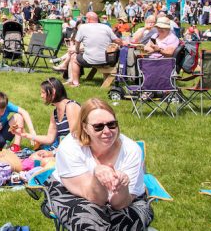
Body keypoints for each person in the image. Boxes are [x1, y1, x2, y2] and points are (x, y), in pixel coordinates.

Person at [46, 98, 153, 230]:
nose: (107, 131)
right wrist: (97, 176)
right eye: (98, 127)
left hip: (128, 199)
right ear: (85, 127)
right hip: (74, 193)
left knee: (126, 223)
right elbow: (95, 198)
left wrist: (122, 187)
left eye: (112, 124)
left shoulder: (131, 150)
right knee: (90, 222)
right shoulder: (70, 147)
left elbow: (120, 204)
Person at [20, 77, 80, 150]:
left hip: (73, 150)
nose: (41, 96)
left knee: (38, 156)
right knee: (34, 155)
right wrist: (27, 135)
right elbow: (49, 139)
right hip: (62, 149)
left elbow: (75, 137)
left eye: (43, 92)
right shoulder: (55, 113)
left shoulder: (71, 107)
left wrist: (53, 153)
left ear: (53, 91)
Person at [65, 12, 122, 87]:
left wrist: (77, 51)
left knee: (74, 58)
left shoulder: (83, 27)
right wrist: (124, 42)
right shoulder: (106, 27)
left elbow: (77, 41)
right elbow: (116, 40)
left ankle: (75, 82)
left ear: (88, 19)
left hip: (91, 60)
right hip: (107, 59)